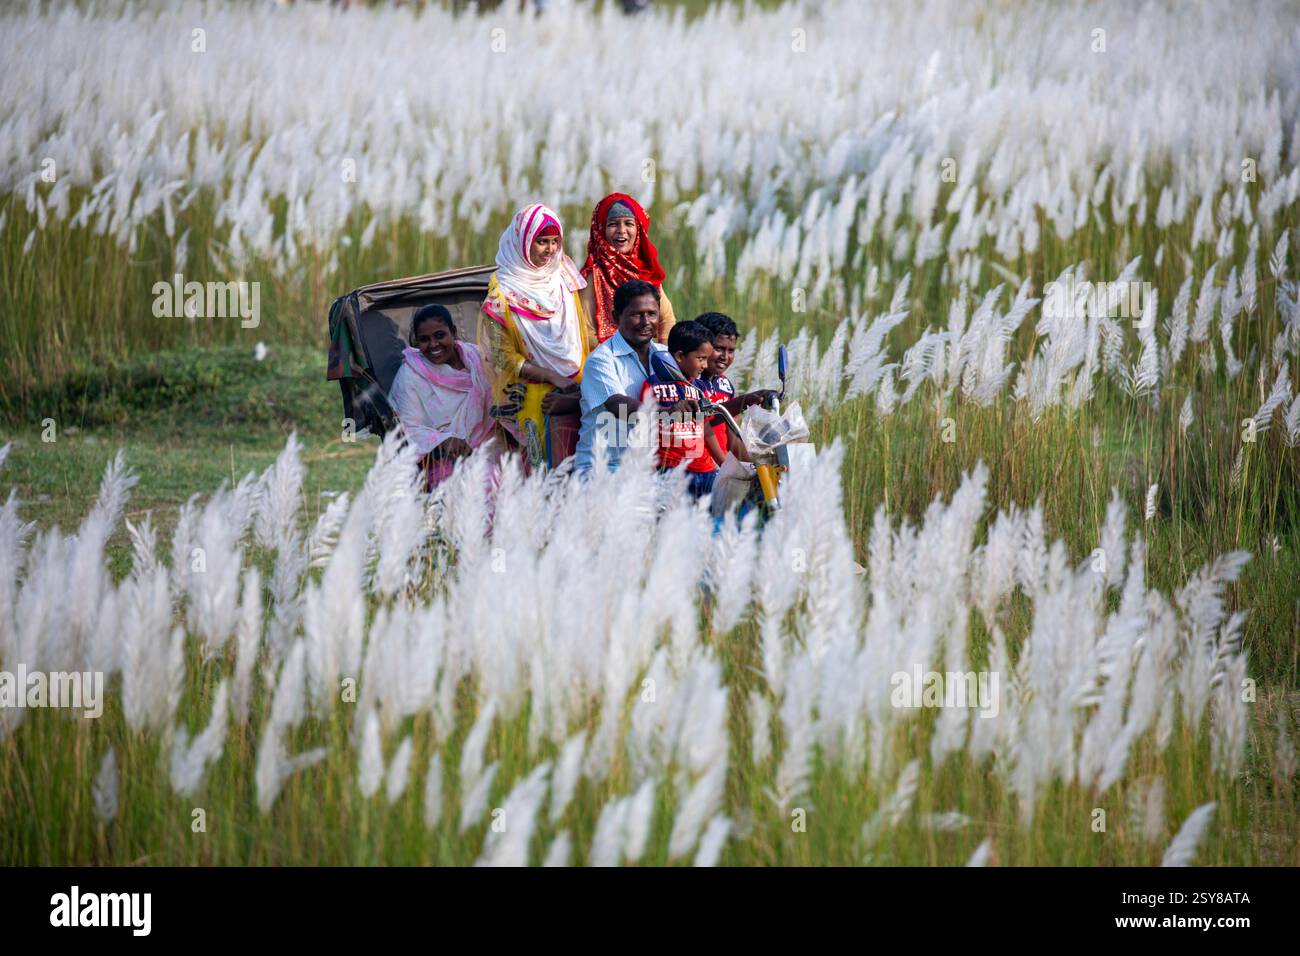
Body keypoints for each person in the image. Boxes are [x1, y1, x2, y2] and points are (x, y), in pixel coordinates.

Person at [479, 203, 596, 471]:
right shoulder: (503, 292)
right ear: (522, 241)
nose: (550, 250)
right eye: (541, 242)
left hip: (577, 383)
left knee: (583, 463)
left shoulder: (564, 275)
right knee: (544, 468)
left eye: (556, 242)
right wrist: (550, 376)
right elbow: (500, 354)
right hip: (533, 391)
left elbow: (580, 331)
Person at [388, 304, 496, 489]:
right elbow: (408, 428)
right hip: (443, 460)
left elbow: (499, 399)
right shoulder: (410, 374)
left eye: (439, 335)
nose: (433, 345)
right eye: (424, 339)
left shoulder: (478, 358)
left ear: (453, 332)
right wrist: (444, 440)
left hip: (492, 446)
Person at [575, 279, 669, 474]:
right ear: (616, 317)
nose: (646, 322)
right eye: (636, 315)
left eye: (652, 314)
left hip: (649, 467)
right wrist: (668, 413)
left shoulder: (666, 356)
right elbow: (618, 406)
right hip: (605, 467)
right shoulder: (600, 360)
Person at [579, 193, 677, 345]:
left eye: (628, 223)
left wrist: (662, 359)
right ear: (600, 230)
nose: (621, 230)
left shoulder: (646, 271)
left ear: (638, 230)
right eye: (613, 224)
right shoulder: (593, 276)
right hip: (607, 361)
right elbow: (586, 332)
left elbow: (667, 320)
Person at [640, 320, 721, 500]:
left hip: (704, 468)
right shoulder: (653, 384)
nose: (705, 365)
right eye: (701, 359)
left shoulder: (700, 388)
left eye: (707, 359)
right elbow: (644, 421)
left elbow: (706, 429)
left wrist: (722, 464)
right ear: (679, 356)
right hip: (668, 469)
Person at [694, 311, 776, 466]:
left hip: (720, 469)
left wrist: (753, 468)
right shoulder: (691, 383)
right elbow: (704, 424)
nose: (725, 356)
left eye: (730, 350)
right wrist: (745, 401)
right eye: (718, 348)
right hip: (699, 469)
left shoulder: (725, 385)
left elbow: (732, 434)